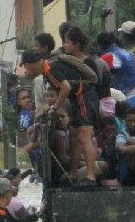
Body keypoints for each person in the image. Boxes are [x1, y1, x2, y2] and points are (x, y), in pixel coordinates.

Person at [20, 35, 100, 186]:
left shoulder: (49, 68)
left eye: (26, 66)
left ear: (32, 64)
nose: (26, 70)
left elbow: (66, 88)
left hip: (84, 97)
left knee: (84, 136)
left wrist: (55, 107)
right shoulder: (47, 70)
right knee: (74, 135)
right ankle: (73, 174)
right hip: (77, 99)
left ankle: (90, 177)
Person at [97, 31, 135, 110]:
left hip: (130, 94)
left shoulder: (109, 56)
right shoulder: (127, 52)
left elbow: (97, 75)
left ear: (100, 45)